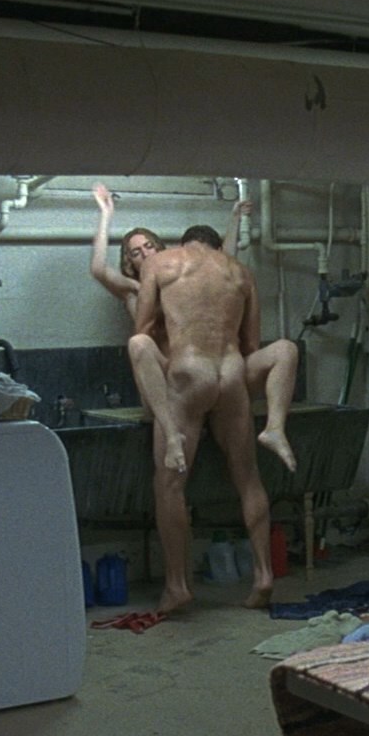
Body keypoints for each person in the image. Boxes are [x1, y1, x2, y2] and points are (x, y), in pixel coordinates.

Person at [90, 183, 298, 471]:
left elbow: (224, 263)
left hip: (204, 377)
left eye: (149, 246)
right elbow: (99, 269)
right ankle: (173, 433)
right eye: (135, 252)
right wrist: (106, 214)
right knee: (141, 344)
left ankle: (274, 429)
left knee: (283, 351)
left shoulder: (179, 281)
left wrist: (234, 218)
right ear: (129, 261)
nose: (145, 254)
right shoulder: (132, 290)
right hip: (165, 383)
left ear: (160, 248)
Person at [134, 224, 276, 612]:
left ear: (185, 243)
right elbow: (251, 343)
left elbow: (142, 328)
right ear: (216, 246)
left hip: (187, 374)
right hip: (229, 373)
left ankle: (177, 586)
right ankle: (264, 576)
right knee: (249, 478)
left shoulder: (162, 263)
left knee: (169, 484)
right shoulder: (240, 272)